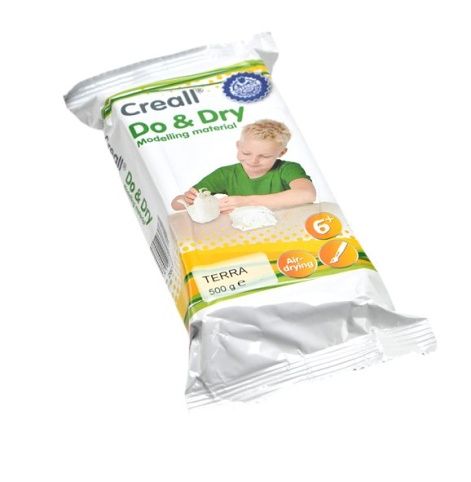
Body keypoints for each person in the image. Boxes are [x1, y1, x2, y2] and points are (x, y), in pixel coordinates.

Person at [171, 119, 316, 213]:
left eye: (265, 156)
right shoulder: (225, 174)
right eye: (246, 153)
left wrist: (246, 202)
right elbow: (175, 204)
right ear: (238, 146)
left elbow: (307, 194)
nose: (253, 161)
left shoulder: (288, 169)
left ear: (281, 152)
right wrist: (188, 200)